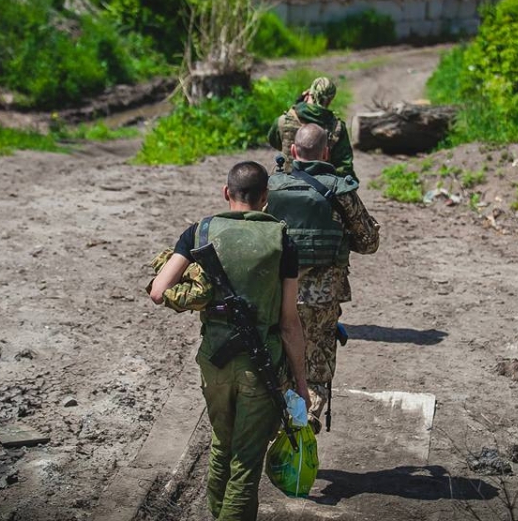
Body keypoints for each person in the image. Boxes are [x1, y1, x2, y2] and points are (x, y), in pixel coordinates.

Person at [149, 161, 310, 521]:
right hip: (261, 365)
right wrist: (301, 383)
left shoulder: (199, 232)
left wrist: (200, 293)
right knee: (246, 463)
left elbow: (159, 291)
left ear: (226, 192)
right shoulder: (282, 240)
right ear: (265, 197)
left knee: (222, 446)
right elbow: (289, 323)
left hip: (215, 362)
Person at [266, 123, 380, 433]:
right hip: (322, 298)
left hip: (278, 293)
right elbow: (369, 242)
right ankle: (307, 422)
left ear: (293, 150)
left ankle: (276, 421)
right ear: (326, 152)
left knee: (278, 358)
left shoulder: (272, 186)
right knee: (315, 366)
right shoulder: (340, 190)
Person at [267, 76, 357, 181]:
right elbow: (344, 166)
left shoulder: (284, 120)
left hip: (287, 183)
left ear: (309, 94)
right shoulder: (337, 127)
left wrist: (298, 103)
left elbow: (274, 141)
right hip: (322, 187)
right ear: (330, 100)